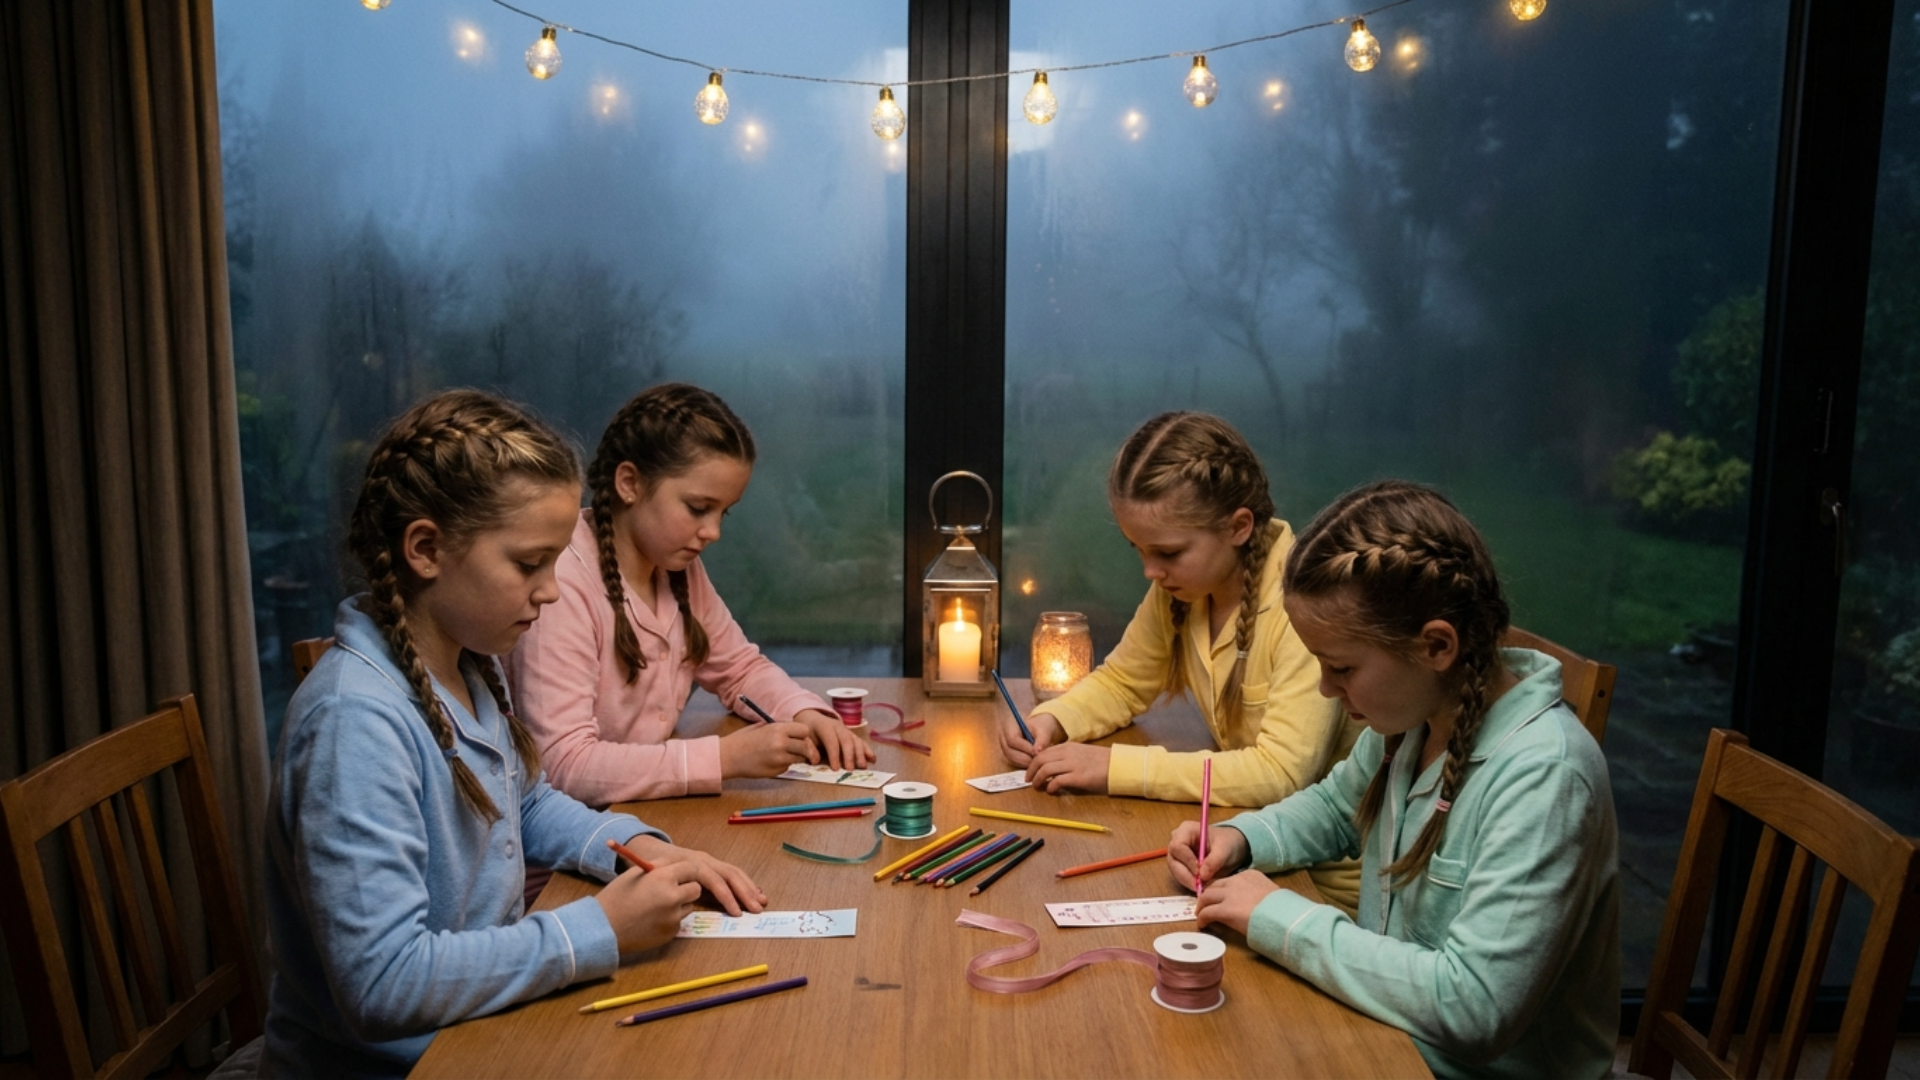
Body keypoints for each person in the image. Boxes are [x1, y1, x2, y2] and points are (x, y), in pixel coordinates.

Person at [264, 389, 766, 1079]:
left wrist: (635, 846)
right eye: (530, 564)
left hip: (476, 1031)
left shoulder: (465, 665)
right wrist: (598, 931)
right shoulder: (354, 724)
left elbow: (524, 802)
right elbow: (382, 985)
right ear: (426, 549)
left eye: (557, 562)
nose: (553, 592)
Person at [1169, 479, 1619, 1080]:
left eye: (1343, 668)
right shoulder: (1418, 717)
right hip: (1386, 1038)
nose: (1328, 690)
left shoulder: (1547, 777)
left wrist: (1279, 916)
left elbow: (1475, 1007)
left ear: (1436, 645)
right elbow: (1334, 809)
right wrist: (1241, 838)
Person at [997, 411, 1362, 911]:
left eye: (1167, 552)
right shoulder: (1190, 585)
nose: (1151, 571)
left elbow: (1281, 773)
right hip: (1246, 853)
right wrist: (1053, 719)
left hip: (1328, 890)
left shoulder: (1303, 605)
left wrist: (1111, 768)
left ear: (1238, 526)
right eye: (1138, 550)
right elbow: (1125, 681)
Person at [508, 383, 871, 807]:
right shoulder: (562, 585)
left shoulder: (677, 567)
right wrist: (724, 758)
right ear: (629, 483)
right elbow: (564, 766)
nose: (713, 532)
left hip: (640, 818)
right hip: (570, 856)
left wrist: (804, 712)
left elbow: (738, 668)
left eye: (723, 513)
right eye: (698, 508)